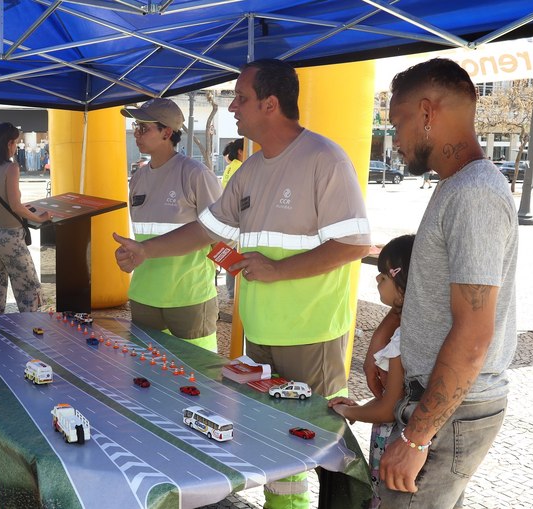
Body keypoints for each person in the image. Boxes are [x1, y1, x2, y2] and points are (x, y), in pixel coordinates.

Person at [113, 59, 370, 508]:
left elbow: (353, 245)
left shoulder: (323, 159)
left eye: (240, 98)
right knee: (271, 434)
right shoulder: (249, 171)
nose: (231, 107)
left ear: (270, 104)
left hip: (311, 332)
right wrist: (145, 252)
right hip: (259, 335)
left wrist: (276, 270)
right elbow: (207, 230)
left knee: (320, 443)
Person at [377, 58, 518, 507]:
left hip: (448, 415)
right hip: (445, 409)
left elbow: (475, 331)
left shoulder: (473, 192)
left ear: (426, 113)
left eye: (397, 122)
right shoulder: (455, 185)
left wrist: (417, 438)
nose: (393, 139)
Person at [120, 98, 223, 352]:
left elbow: (222, 232)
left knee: (197, 376)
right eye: (136, 127)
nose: (137, 134)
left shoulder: (195, 174)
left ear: (167, 132)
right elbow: (144, 236)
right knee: (148, 375)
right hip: (145, 295)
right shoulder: (138, 177)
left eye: (144, 128)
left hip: (189, 296)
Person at [329, 234, 414, 509]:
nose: (377, 280)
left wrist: (348, 412)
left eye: (383, 276)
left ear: (402, 288)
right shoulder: (409, 327)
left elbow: (390, 408)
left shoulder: (402, 342)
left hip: (395, 448)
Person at [0, 122, 51, 313]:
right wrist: (40, 218)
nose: (16, 147)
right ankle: (30, 333)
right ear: (8, 143)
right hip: (10, 238)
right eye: (15, 142)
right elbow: (15, 206)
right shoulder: (11, 168)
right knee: (28, 289)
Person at [220, 138, 245, 298]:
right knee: (236, 254)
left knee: (230, 254)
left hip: (228, 216)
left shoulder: (230, 168)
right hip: (239, 217)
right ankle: (235, 292)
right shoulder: (243, 168)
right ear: (241, 151)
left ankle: (231, 291)